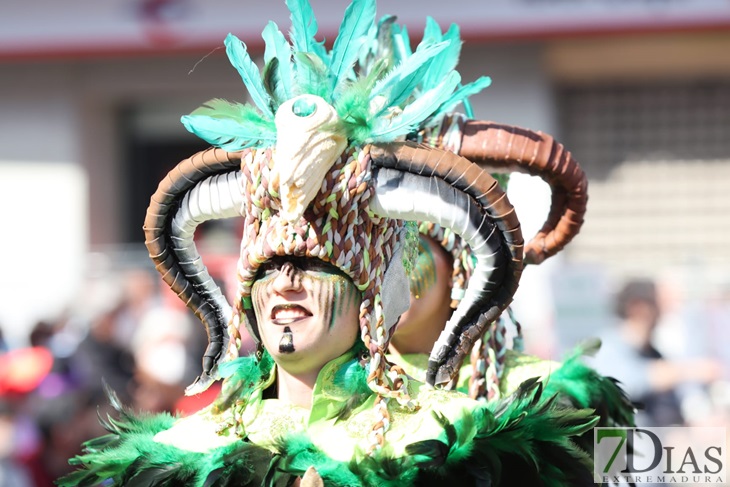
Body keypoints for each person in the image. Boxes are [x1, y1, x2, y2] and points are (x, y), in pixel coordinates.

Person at [60, 1, 615, 485]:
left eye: (416, 249)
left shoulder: (477, 423)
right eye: (270, 265)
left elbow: (654, 469)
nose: (287, 281)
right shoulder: (193, 448)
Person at [592, 278, 722, 427]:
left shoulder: (653, 353)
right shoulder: (606, 348)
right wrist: (691, 370)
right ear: (638, 307)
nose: (668, 311)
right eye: (661, 303)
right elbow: (621, 383)